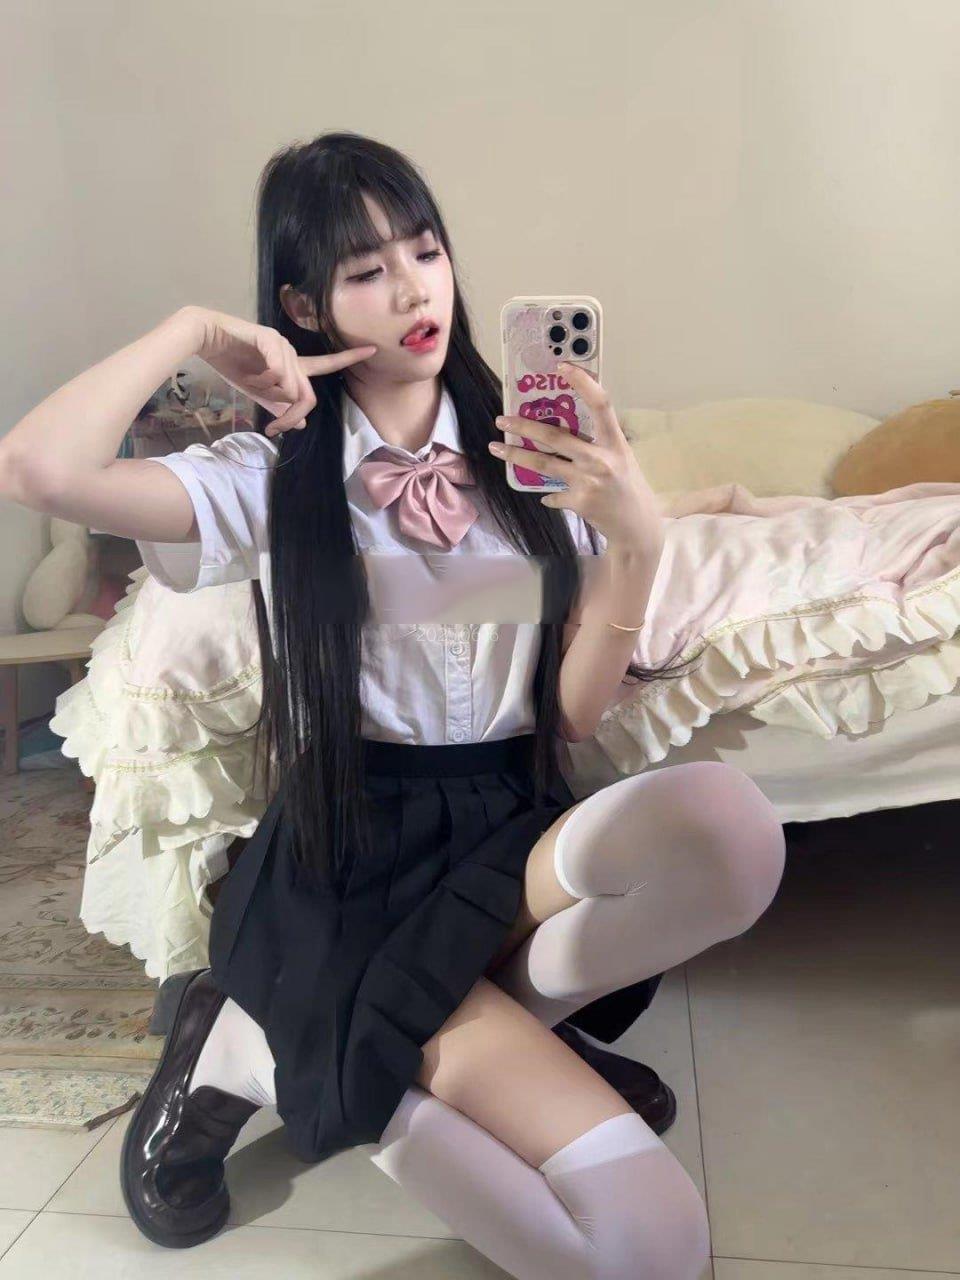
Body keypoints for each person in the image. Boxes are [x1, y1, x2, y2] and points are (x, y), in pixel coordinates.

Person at [0, 131, 786, 1278]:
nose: (415, 289)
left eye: (425, 251)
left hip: (500, 827)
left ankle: (361, 1036)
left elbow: (569, 715)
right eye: (367, 270)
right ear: (301, 305)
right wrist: (192, 332)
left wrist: (637, 544)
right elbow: (36, 468)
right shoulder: (271, 475)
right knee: (651, 1246)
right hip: (350, 864)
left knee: (732, 829)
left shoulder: (533, 457)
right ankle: (265, 1044)